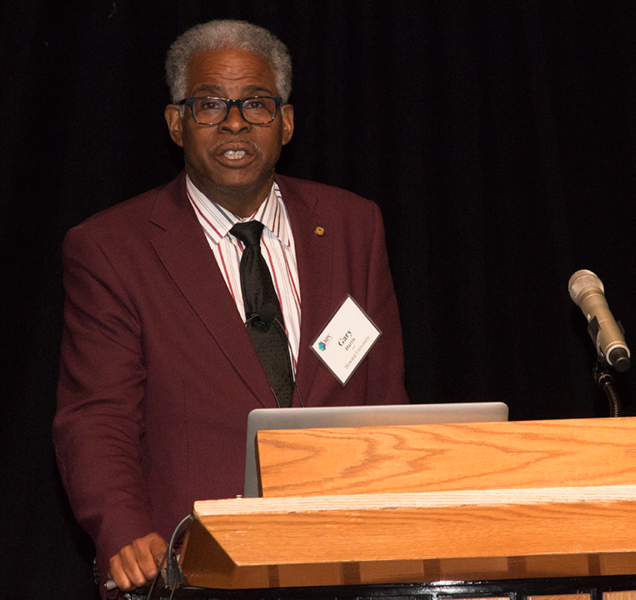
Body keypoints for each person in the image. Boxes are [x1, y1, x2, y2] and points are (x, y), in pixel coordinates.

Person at [52, 20, 408, 594]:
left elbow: (384, 394)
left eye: (257, 104)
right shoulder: (111, 249)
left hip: (346, 563)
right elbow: (97, 416)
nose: (235, 122)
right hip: (193, 570)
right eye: (210, 104)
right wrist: (123, 531)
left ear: (286, 122)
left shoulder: (352, 225)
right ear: (176, 123)